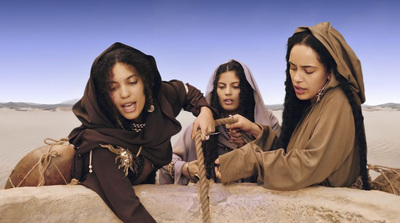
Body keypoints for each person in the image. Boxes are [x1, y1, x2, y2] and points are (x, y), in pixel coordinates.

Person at [68, 42, 215, 222]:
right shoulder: (101, 145)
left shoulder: (158, 100)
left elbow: (185, 91)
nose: (125, 93)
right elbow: (130, 210)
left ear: (145, 81)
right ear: (104, 94)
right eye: (113, 87)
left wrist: (204, 110)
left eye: (132, 82)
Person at [214, 22, 371, 191]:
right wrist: (255, 130)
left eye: (308, 71)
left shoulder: (337, 102)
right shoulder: (313, 100)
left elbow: (307, 165)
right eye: (292, 68)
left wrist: (247, 161)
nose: (296, 78)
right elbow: (290, 150)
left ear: (329, 71)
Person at [158, 60, 280, 185]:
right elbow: (165, 161)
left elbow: (284, 159)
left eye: (235, 86)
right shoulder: (202, 128)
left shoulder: (268, 122)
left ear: (246, 90)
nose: (228, 92)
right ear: (215, 91)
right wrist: (185, 168)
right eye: (222, 87)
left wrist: (253, 134)